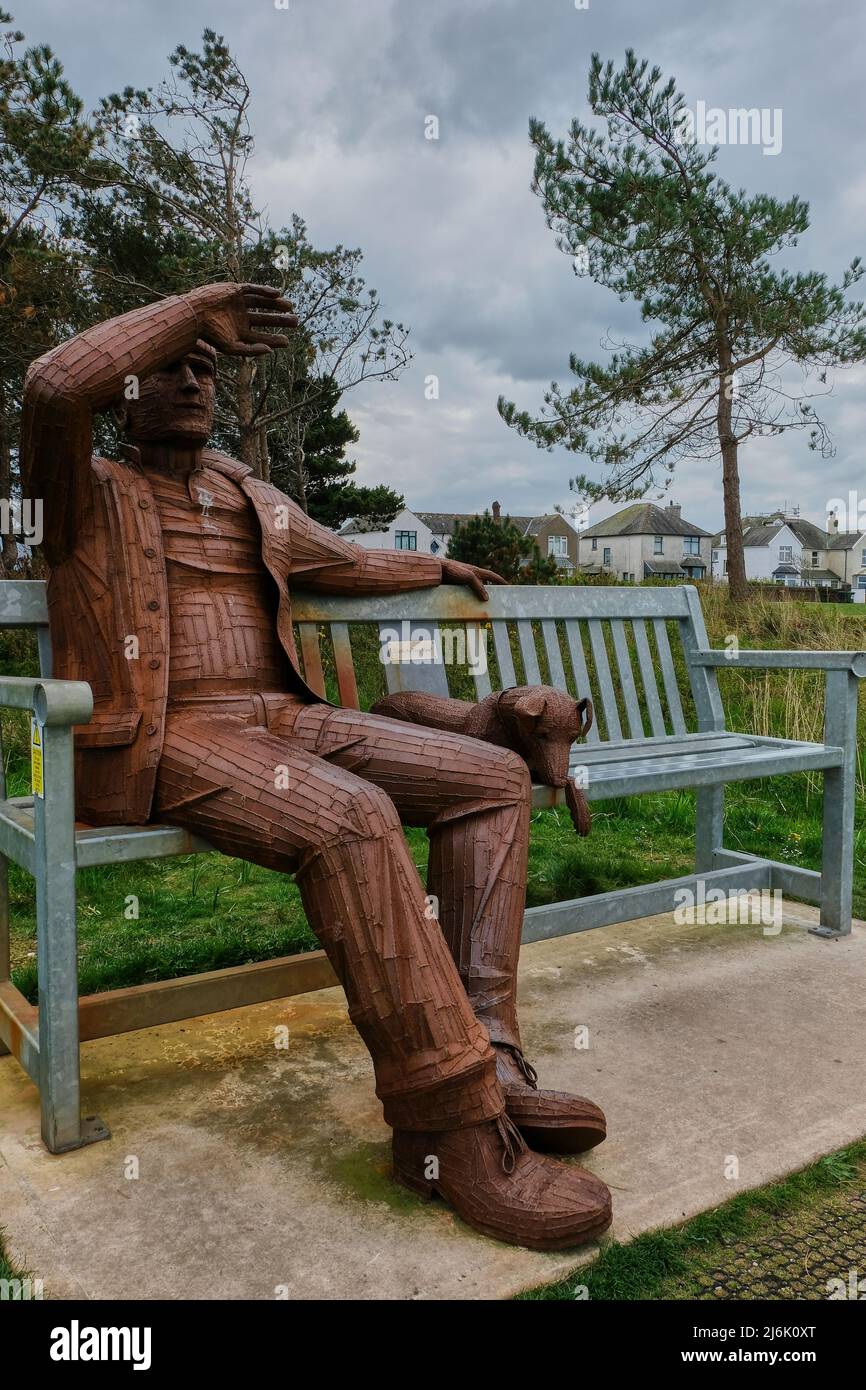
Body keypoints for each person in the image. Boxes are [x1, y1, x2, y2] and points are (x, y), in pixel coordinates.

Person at [21, 282, 611, 1249]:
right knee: (352, 817)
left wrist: (440, 566)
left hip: (289, 721)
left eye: (206, 366)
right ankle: (447, 1129)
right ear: (124, 385)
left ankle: (493, 1055)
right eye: (169, 362)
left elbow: (346, 560)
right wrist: (198, 310)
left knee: (491, 779)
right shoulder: (80, 489)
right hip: (174, 737)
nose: (192, 377)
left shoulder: (250, 497)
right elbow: (50, 384)